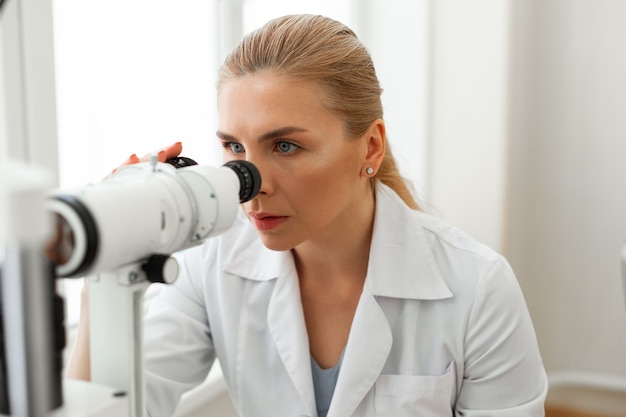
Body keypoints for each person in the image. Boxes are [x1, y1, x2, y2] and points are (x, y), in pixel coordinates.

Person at [67, 14, 547, 417]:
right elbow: (120, 407)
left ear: (371, 146)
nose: (253, 182)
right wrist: (107, 263)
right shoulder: (212, 260)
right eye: (234, 147)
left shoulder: (478, 288)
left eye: (285, 146)